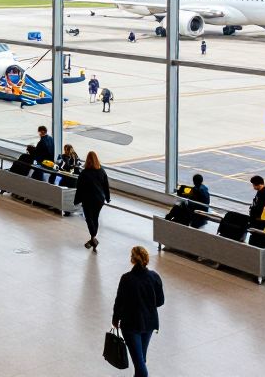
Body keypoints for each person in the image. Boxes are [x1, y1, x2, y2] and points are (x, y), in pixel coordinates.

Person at [112, 246, 165, 377]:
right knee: (141, 359)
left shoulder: (126, 279)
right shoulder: (155, 277)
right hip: (149, 324)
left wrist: (115, 319)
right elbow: (160, 301)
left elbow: (119, 301)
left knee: (140, 364)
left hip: (131, 325)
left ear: (132, 260)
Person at [74, 150, 110, 251]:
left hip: (88, 199)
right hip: (99, 199)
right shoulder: (102, 171)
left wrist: (76, 200)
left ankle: (93, 237)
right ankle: (93, 238)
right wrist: (107, 197)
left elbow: (79, 187)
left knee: (89, 218)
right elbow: (106, 186)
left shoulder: (84, 173)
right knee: (95, 217)